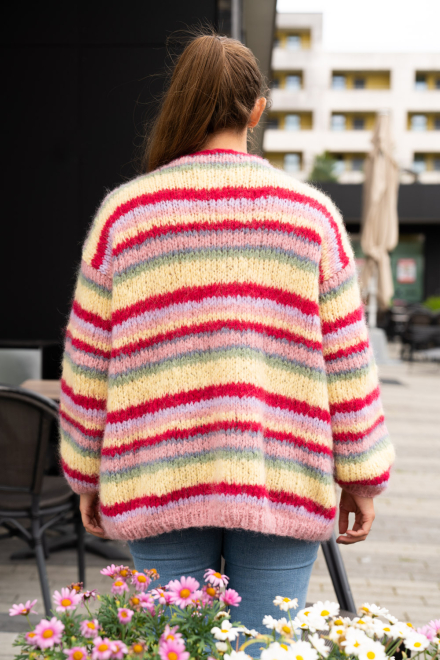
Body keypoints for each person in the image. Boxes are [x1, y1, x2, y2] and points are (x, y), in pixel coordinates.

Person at [58, 29, 395, 648]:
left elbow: (88, 361)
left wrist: (84, 471)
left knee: (172, 646)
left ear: (181, 103)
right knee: (261, 649)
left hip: (155, 474)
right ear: (256, 111)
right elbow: (347, 362)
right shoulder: (311, 217)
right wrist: (361, 476)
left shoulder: (124, 217)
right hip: (283, 475)